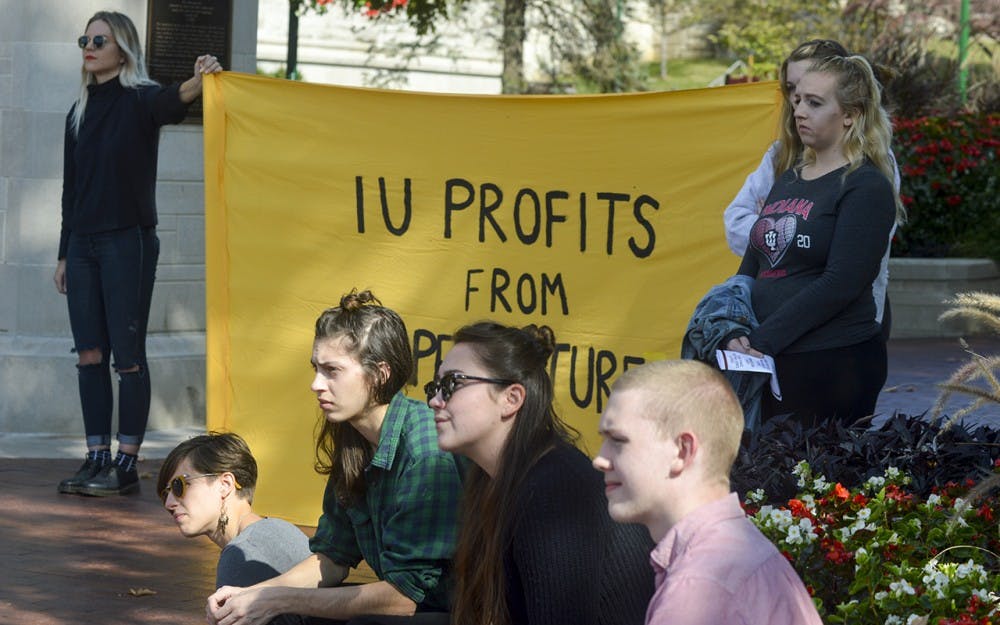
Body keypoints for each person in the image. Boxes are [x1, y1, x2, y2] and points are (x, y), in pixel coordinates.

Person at [207, 290, 463, 625]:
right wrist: (254, 596)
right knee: (268, 611)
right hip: (411, 605)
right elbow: (332, 557)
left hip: (458, 612)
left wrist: (276, 597)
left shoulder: (425, 452)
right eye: (315, 368)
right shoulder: (352, 439)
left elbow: (405, 596)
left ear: (379, 374)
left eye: (332, 371)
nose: (316, 384)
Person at [55, 11, 222, 496]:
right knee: (89, 354)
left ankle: (126, 463)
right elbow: (72, 190)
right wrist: (64, 254)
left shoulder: (140, 99)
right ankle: (96, 457)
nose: (88, 46)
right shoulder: (78, 111)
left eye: (98, 39)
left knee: (127, 357)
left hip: (127, 241)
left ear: (122, 49)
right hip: (83, 246)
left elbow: (175, 101)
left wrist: (199, 77)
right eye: (84, 38)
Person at [426, 321, 654, 625]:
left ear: (512, 398)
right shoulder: (493, 479)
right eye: (436, 386)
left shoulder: (554, 490)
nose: (434, 400)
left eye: (453, 383)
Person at [726, 55, 905, 426]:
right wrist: (735, 329)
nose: (800, 112)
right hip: (773, 358)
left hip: (833, 365)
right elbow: (755, 263)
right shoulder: (789, 178)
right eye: (798, 101)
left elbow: (841, 283)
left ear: (850, 115)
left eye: (815, 103)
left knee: (815, 481)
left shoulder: (867, 185)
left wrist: (763, 340)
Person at [593, 359, 823, 625]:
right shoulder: (746, 556)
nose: (600, 459)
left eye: (618, 440)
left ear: (683, 450)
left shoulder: (698, 588)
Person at [722, 39, 900, 334]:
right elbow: (738, 227)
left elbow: (848, 263)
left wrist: (779, 225)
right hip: (773, 327)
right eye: (792, 90)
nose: (798, 103)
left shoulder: (872, 173)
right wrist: (794, 231)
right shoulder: (784, 163)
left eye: (812, 97)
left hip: (835, 336)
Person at [158, 432, 312, 589]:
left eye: (179, 486)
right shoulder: (281, 529)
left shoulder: (241, 555)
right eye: (166, 493)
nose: (169, 503)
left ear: (225, 484)